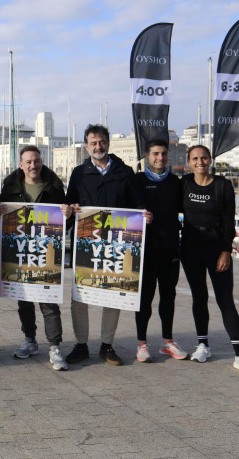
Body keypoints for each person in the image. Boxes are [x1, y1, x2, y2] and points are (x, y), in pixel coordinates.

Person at [62, 124, 147, 367]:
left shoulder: (125, 172)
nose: (98, 146)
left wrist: (144, 217)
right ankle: (81, 344)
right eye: (93, 142)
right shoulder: (79, 173)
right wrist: (70, 209)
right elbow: (70, 204)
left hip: (118, 245)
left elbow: (137, 207)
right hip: (87, 243)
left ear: (108, 143)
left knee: (113, 296)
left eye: (101, 142)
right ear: (86, 146)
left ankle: (107, 345)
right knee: (80, 297)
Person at [180, 145, 239, 376]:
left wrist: (226, 251)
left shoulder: (222, 185)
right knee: (199, 297)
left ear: (210, 160)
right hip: (191, 248)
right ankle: (203, 345)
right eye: (195, 158)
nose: (200, 162)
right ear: (189, 162)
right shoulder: (184, 184)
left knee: (225, 300)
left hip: (216, 249)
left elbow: (229, 221)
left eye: (204, 158)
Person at [0, 145, 68, 371]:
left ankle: (55, 346)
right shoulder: (9, 185)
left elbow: (65, 218)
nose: (33, 165)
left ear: (41, 161)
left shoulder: (55, 185)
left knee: (49, 302)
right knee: (24, 299)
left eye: (36, 161)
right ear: (21, 165)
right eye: (28, 162)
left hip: (46, 252)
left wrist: (68, 214)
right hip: (19, 250)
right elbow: (0, 212)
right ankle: (30, 340)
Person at [133, 139, 187, 363]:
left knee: (168, 296)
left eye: (164, 154)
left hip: (170, 249)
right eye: (155, 153)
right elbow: (123, 211)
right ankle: (141, 345)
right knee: (144, 298)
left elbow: (185, 212)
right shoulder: (136, 181)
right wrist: (138, 215)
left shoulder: (176, 182)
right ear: (147, 155)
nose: (160, 158)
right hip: (146, 250)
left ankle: (167, 342)